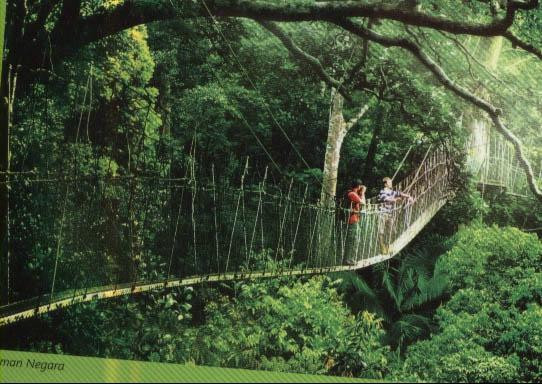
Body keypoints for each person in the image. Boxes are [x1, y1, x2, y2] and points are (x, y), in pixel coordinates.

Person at [377, 177, 413, 254]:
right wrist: (396, 199)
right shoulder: (382, 191)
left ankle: (388, 246)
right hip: (382, 214)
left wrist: (409, 197)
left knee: (391, 231)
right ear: (386, 184)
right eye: (390, 182)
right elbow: (386, 199)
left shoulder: (392, 191)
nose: (391, 183)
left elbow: (400, 194)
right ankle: (382, 247)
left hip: (390, 214)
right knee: (381, 232)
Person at [344, 179, 366, 265]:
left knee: (354, 239)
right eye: (360, 187)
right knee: (352, 240)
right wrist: (363, 193)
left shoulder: (352, 193)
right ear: (358, 186)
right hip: (352, 220)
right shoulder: (352, 194)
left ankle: (350, 259)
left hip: (354, 220)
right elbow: (363, 202)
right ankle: (348, 260)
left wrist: (361, 193)